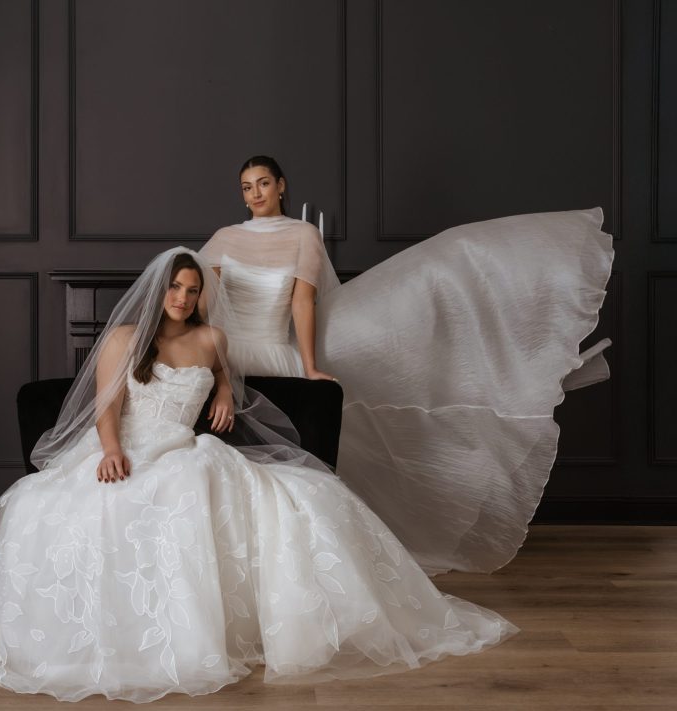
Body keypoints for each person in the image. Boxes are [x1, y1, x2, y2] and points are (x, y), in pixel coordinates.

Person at [0, 248, 516, 703]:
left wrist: (224, 391)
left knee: (287, 494)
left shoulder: (212, 340)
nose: (183, 298)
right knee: (57, 504)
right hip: (124, 446)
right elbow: (107, 406)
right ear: (158, 290)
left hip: (183, 446)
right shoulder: (126, 338)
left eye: (192, 290)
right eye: (175, 288)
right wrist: (110, 451)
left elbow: (224, 377)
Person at [199, 155, 615, 575]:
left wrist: (308, 366)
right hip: (228, 356)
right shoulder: (225, 238)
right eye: (247, 187)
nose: (255, 194)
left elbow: (302, 303)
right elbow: (205, 303)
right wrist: (212, 367)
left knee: (291, 458)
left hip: (276, 353)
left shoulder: (302, 234)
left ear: (281, 185)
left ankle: (290, 554)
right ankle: (234, 550)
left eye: (263, 183)